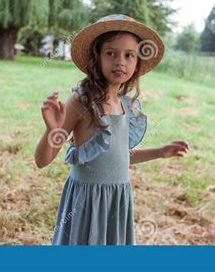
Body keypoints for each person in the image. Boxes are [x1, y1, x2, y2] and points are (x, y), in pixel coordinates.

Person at [34, 14, 190, 245]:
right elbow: (42, 160)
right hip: (87, 203)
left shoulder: (126, 104)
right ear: (96, 58)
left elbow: (119, 158)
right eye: (111, 53)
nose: (120, 61)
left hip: (117, 200)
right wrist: (52, 131)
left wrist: (160, 151)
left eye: (129, 55)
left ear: (137, 63)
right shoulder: (81, 101)